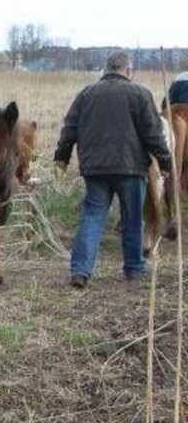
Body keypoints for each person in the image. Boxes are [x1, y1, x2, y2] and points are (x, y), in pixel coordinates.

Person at [54, 51, 173, 287]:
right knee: (133, 219)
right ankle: (134, 269)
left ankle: (80, 271)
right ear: (128, 71)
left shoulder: (86, 94)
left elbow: (70, 129)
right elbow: (152, 133)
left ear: (106, 69)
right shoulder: (140, 94)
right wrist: (166, 162)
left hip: (95, 169)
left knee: (92, 217)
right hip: (131, 168)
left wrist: (62, 157)